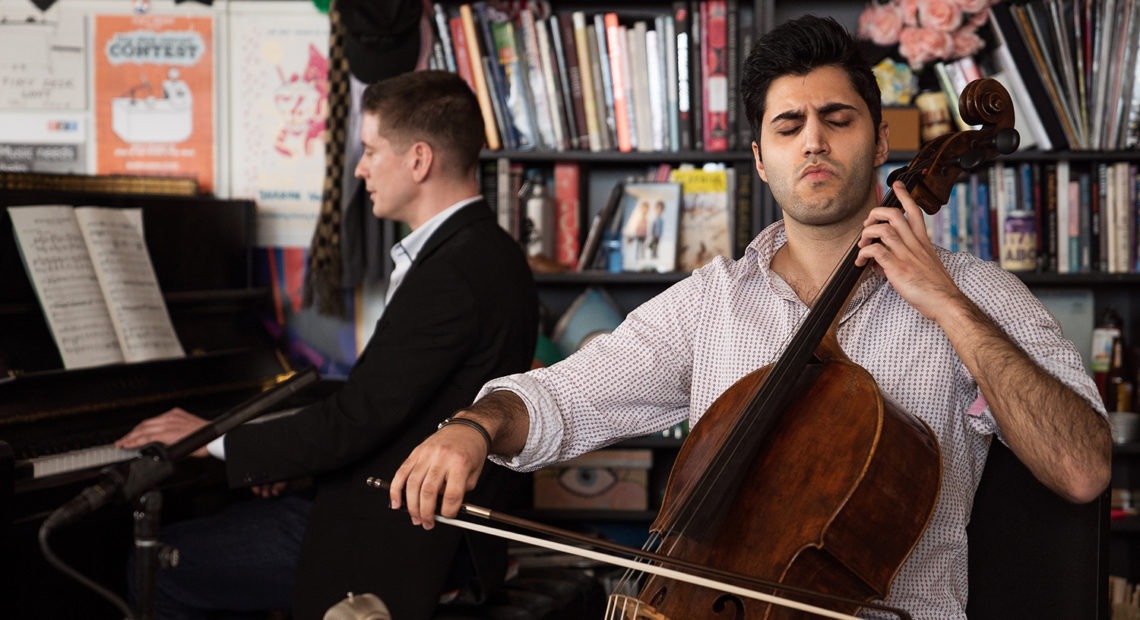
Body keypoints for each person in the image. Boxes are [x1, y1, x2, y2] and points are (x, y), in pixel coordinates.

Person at [389, 16, 1111, 620]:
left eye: (838, 119)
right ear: (761, 160)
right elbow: (566, 396)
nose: (815, 142)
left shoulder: (977, 293)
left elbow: (1081, 467)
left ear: (881, 141)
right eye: (789, 124)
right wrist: (474, 427)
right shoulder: (714, 301)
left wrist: (948, 305)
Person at [116, 70, 539, 619]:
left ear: (418, 160)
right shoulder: (485, 252)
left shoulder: (452, 273)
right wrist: (288, 459)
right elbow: (391, 409)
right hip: (412, 514)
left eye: (369, 150)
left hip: (399, 535)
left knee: (159, 564)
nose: (360, 169)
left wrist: (213, 438)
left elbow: (355, 420)